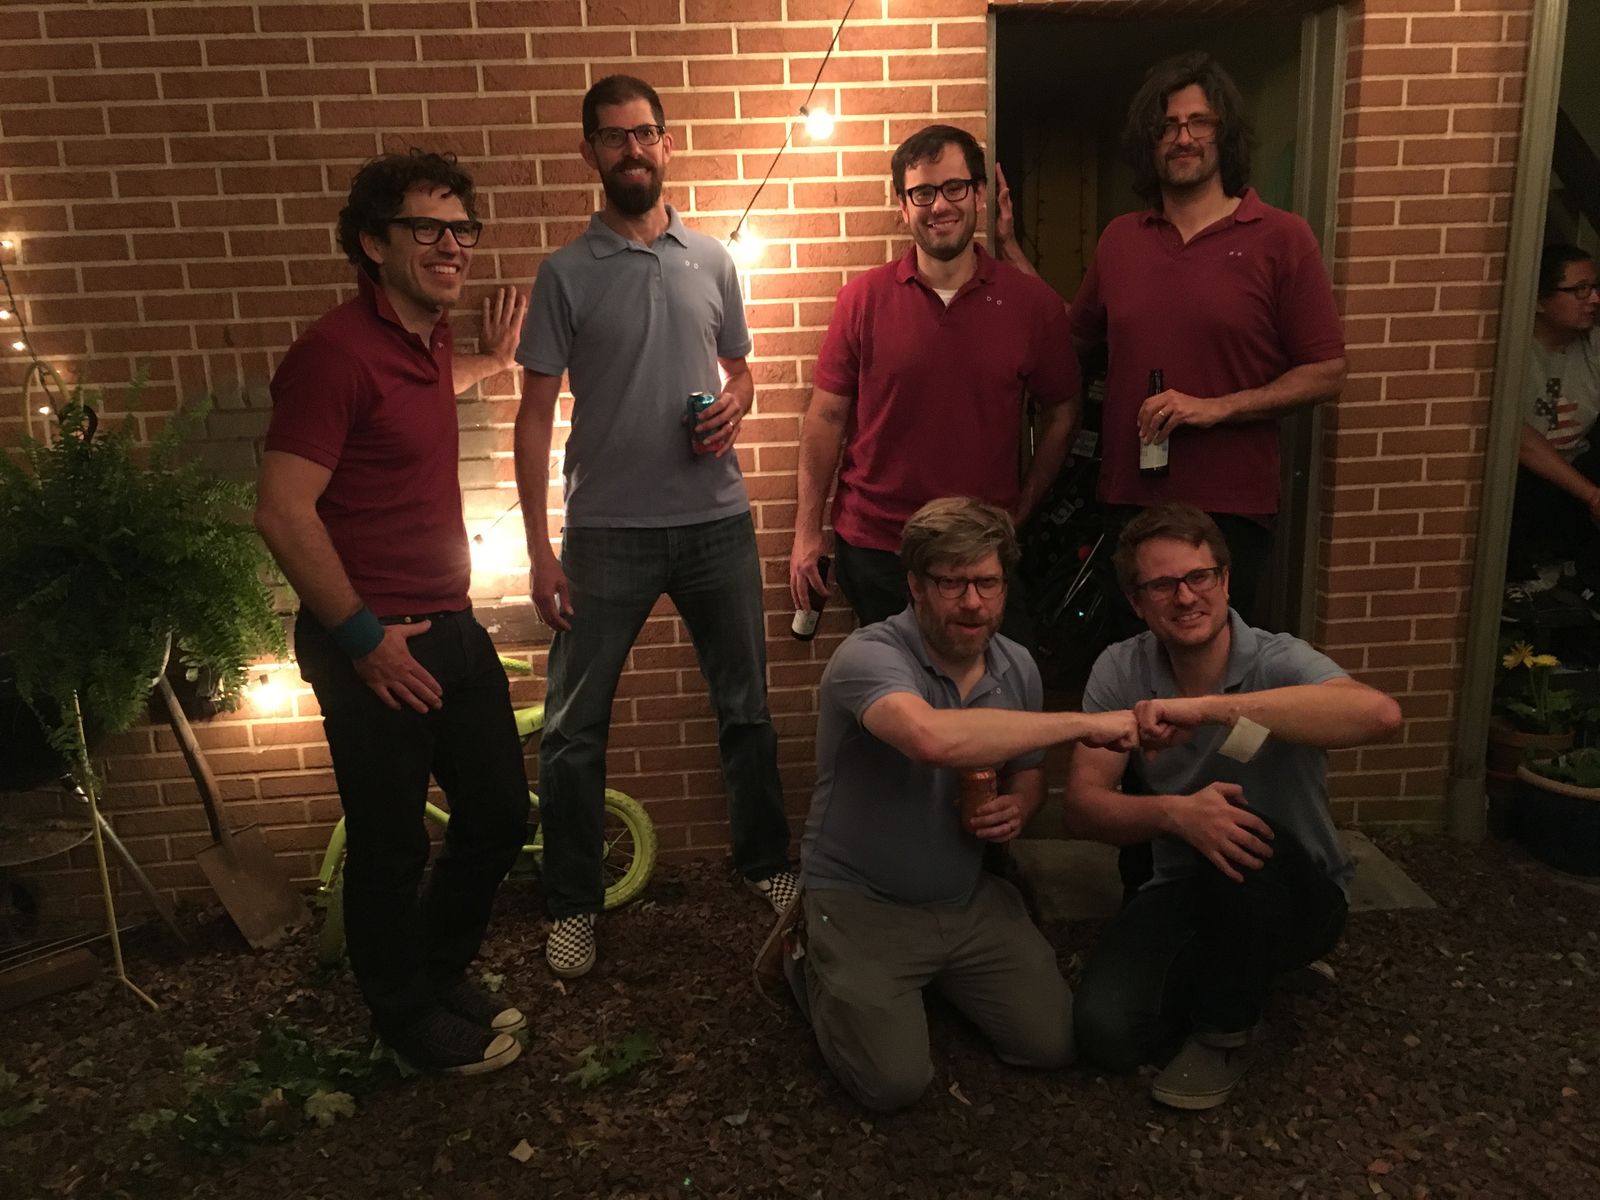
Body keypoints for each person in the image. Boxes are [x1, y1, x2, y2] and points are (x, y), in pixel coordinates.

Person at [255, 150, 532, 1076]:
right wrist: (364, 641)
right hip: (368, 639)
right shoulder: (331, 356)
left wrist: (495, 360)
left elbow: (421, 395)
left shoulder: (430, 341)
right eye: (427, 228)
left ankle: (436, 972)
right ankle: (404, 1022)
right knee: (389, 845)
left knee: (498, 814)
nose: (452, 246)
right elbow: (281, 511)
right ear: (373, 244)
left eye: (462, 229)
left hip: (448, 623)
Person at [513, 75, 794, 980]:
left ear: (667, 143)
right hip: (605, 534)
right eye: (613, 137)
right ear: (589, 153)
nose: (632, 150)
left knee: (747, 710)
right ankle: (571, 905)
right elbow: (532, 417)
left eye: (644, 134)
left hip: (718, 524)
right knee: (572, 729)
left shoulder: (712, 259)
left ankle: (767, 863)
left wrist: (737, 402)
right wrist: (539, 550)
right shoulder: (564, 273)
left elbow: (741, 369)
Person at [774, 497, 1140, 1112]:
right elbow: (931, 739)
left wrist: (1019, 806)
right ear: (915, 586)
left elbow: (1028, 774)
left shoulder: (1016, 666)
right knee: (892, 1085)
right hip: (863, 900)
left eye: (987, 582)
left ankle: (929, 978)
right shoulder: (869, 656)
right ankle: (807, 955)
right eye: (952, 582)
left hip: (965, 899)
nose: (972, 601)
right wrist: (1083, 723)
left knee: (1051, 1043)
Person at [1064, 503, 1402, 1110]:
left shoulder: (1280, 659)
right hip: (1184, 885)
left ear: (1225, 580)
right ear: (1137, 602)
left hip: (1296, 893)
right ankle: (1249, 974)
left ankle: (1225, 1032)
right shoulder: (1120, 669)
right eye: (1162, 585)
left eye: (1199, 576)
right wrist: (1175, 815)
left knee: (1239, 829)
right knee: (1107, 1035)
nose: (1185, 597)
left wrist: (1207, 710)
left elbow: (1379, 715)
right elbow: (1083, 807)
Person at [1002, 51, 1345, 624]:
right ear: (1149, 142)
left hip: (1229, 510)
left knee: (1215, 666)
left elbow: (1327, 371)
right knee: (1131, 662)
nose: (1182, 137)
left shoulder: (1282, 239)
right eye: (1166, 126)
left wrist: (1214, 409)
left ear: (1224, 133)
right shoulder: (1121, 239)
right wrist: (1010, 247)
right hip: (1130, 502)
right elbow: (1070, 334)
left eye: (1198, 122)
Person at [790, 125, 1080, 640]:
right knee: (895, 687)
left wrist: (1023, 506)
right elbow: (827, 416)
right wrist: (806, 531)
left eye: (954, 187)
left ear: (980, 195)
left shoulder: (1032, 306)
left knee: (991, 686)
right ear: (903, 206)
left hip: (982, 551)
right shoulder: (861, 300)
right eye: (922, 192)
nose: (939, 205)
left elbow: (1063, 410)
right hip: (879, 549)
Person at [1510, 243, 1600, 571]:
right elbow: (1518, 439)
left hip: (1579, 466)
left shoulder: (1594, 345)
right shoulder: (1513, 350)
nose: (1594, 298)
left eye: (1594, 287)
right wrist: (1592, 496)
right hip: (1524, 478)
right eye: (1580, 289)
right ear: (1538, 301)